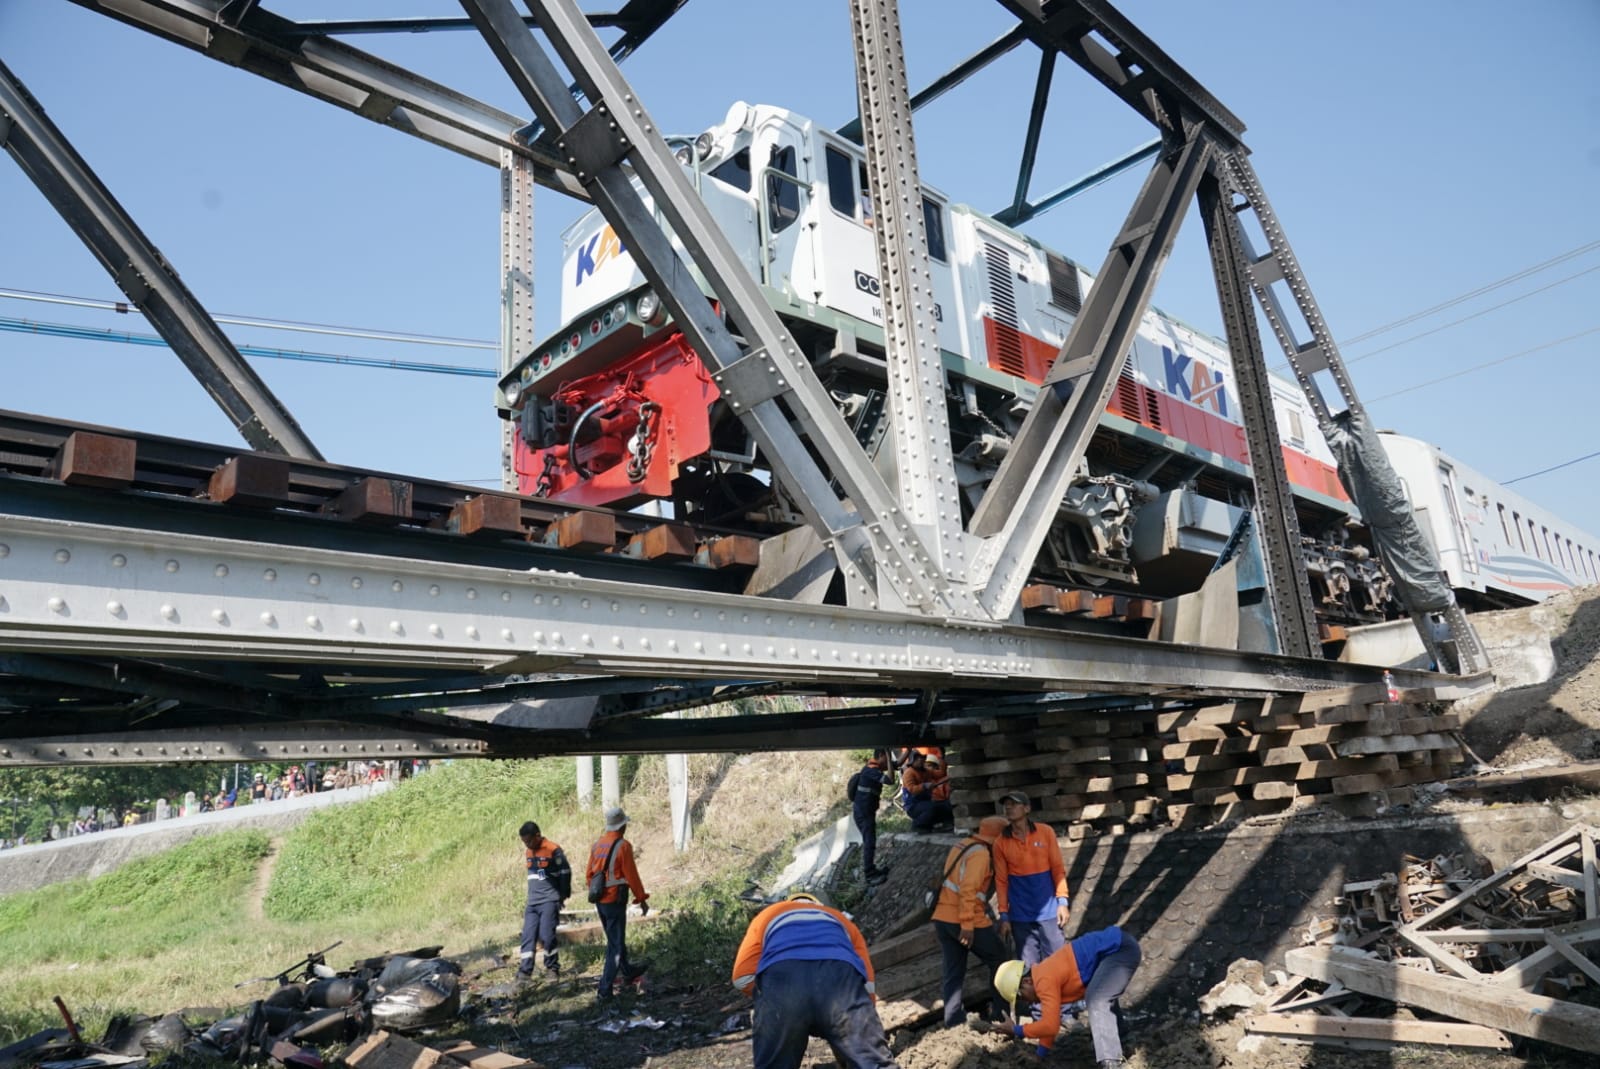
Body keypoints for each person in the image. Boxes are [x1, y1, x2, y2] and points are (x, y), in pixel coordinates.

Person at [731, 891, 899, 1069]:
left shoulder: (767, 915)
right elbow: (868, 984)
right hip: (840, 980)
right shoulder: (841, 920)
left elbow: (740, 978)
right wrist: (860, 1025)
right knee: (875, 1064)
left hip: (782, 983)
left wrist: (769, 998)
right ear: (820, 906)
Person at [991, 925, 1142, 1068]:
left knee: (1097, 999)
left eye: (1021, 997)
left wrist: (1016, 1030)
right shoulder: (1042, 978)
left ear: (1027, 981)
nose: (1026, 1002)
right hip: (1116, 949)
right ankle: (1122, 1038)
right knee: (1100, 992)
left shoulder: (1044, 980)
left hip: (1120, 950)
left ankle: (1111, 1062)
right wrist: (1039, 1056)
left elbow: (1049, 1026)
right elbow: (1050, 1022)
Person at [931, 816, 1011, 1028]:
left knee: (953, 971)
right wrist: (967, 925)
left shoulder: (963, 845)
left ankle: (953, 1020)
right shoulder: (981, 855)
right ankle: (1001, 1015)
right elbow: (968, 890)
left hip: (943, 918)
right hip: (965, 920)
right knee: (999, 959)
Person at [993, 790, 1070, 966]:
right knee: (1029, 969)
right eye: (1006, 805)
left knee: (1059, 963)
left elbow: (1058, 869)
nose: (1009, 807)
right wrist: (1004, 915)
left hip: (1049, 912)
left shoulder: (1046, 832)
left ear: (1027, 809)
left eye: (1014, 804)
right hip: (1020, 916)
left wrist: (1063, 902)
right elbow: (1001, 881)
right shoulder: (1000, 843)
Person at [586, 806, 650, 1001]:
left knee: (614, 938)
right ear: (622, 826)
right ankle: (604, 989)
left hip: (600, 900)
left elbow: (589, 874)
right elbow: (632, 875)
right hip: (615, 900)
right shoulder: (623, 846)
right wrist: (641, 899)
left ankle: (627, 970)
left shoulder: (598, 845)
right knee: (615, 944)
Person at [517, 820, 571, 982]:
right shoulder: (529, 852)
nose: (527, 845)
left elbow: (565, 872)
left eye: (529, 841)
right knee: (528, 936)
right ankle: (525, 972)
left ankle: (552, 969)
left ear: (538, 835)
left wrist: (562, 895)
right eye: (524, 842)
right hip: (532, 902)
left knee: (547, 935)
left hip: (549, 900)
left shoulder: (553, 849)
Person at [849, 749, 893, 884]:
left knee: (870, 840)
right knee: (869, 842)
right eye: (886, 758)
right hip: (863, 813)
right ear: (880, 756)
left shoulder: (876, 768)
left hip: (866, 812)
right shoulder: (870, 771)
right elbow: (890, 780)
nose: (888, 762)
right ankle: (869, 875)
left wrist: (908, 751)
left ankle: (872, 870)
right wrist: (890, 761)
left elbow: (897, 764)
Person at [901, 752, 953, 833]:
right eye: (917, 758)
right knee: (931, 808)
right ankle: (917, 825)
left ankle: (942, 824)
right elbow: (912, 789)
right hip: (913, 806)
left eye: (922, 757)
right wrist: (924, 786)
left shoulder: (926, 771)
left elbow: (941, 774)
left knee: (946, 805)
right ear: (912, 760)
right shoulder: (908, 773)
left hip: (926, 802)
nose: (920, 760)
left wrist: (942, 759)